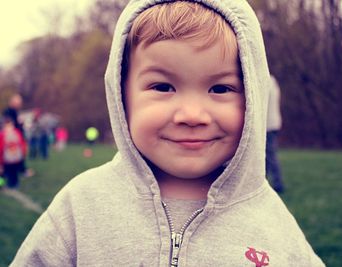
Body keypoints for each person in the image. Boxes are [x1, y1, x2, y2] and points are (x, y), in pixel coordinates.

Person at [11, 1, 325, 266]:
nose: (191, 115)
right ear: (122, 96)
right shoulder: (80, 206)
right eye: (163, 87)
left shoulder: (272, 222)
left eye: (220, 88)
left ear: (252, 99)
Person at [266, 75, 285, 193]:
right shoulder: (272, 80)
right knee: (267, 156)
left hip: (268, 124)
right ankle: (265, 182)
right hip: (273, 123)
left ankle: (278, 184)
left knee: (270, 155)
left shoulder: (266, 80)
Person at [0, 112, 27, 189]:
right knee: (7, 172)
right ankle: (6, 183)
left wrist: (22, 153)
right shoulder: (3, 134)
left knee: (12, 172)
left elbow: (21, 143)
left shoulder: (15, 132)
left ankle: (12, 183)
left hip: (13, 157)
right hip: (8, 157)